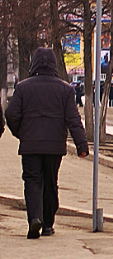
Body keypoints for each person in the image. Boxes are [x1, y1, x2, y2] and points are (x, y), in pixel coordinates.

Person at [5, 48, 88, 239]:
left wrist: (21, 133)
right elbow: (73, 119)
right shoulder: (65, 89)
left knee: (32, 181)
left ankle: (34, 218)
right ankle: (48, 224)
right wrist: (81, 145)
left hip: (30, 146)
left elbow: (11, 114)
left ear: (33, 63)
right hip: (54, 146)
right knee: (51, 182)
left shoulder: (23, 87)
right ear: (54, 65)